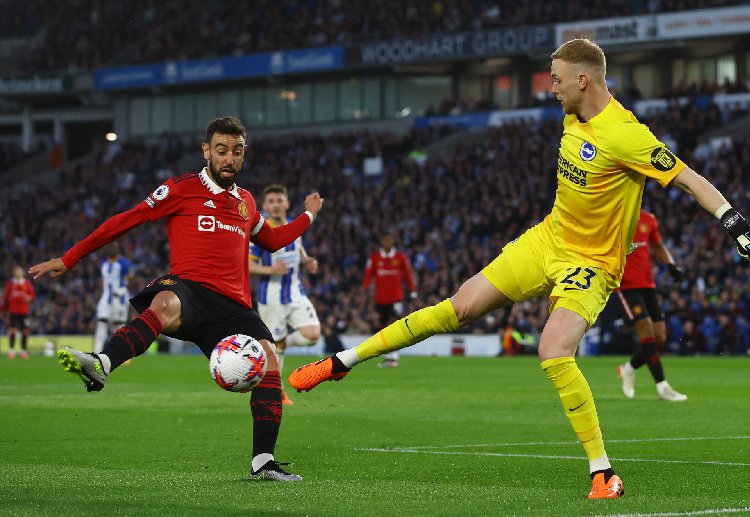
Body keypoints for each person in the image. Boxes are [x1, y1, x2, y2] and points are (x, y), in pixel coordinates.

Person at [288, 38, 750, 499]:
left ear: (582, 80)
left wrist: (733, 222)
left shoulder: (627, 134)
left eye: (556, 79)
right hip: (546, 239)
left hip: (592, 264)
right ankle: (343, 361)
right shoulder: (573, 116)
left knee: (552, 349)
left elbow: (688, 178)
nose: (549, 88)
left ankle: (602, 472)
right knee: (460, 307)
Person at [29, 116, 324, 482]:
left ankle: (263, 462)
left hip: (233, 307)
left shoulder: (246, 203)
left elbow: (274, 241)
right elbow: (127, 220)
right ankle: (102, 363)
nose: (228, 158)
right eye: (221, 151)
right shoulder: (180, 189)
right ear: (206, 151)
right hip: (189, 289)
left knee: (269, 358)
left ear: (244, 153)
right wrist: (69, 257)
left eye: (236, 151)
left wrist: (309, 214)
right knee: (165, 304)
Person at [248, 184, 321, 405]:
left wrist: (306, 260)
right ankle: (276, 391)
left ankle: (281, 344)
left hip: (295, 291)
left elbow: (297, 247)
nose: (276, 205)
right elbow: (246, 265)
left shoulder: (292, 226)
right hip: (271, 295)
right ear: (265, 206)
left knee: (312, 335)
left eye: (280, 200)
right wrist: (271, 270)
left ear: (287, 204)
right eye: (271, 201)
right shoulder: (260, 233)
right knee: (274, 348)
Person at [614, 209, 688, 401]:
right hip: (626, 285)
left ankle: (628, 369)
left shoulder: (649, 218)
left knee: (660, 337)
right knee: (646, 332)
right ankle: (663, 387)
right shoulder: (613, 216)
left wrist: (671, 265)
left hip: (647, 284)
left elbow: (658, 245)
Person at [361, 233, 417, 368]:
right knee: (383, 327)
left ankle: (394, 355)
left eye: (390, 240)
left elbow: (408, 275)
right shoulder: (374, 258)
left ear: (393, 241)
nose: (387, 242)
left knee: (394, 323)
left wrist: (413, 292)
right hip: (380, 299)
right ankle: (388, 357)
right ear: (381, 241)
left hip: (396, 298)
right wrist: (364, 291)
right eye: (385, 239)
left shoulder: (400, 258)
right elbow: (368, 277)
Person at [94, 242, 134, 354]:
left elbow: (130, 277)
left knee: (119, 325)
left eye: (113, 247)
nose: (110, 249)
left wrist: (125, 288)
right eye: (109, 247)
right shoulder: (104, 264)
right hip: (106, 297)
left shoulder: (124, 263)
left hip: (119, 298)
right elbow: (103, 281)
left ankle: (121, 353)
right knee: (101, 322)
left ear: (117, 249)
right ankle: (96, 352)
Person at [1, 265, 36, 359]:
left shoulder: (27, 283)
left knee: (25, 331)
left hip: (24, 311)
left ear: (22, 273)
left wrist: (30, 298)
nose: (18, 273)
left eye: (20, 271)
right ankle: (11, 350)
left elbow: (33, 296)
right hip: (13, 311)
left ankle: (23, 351)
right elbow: (5, 299)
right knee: (13, 330)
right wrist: (2, 310)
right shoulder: (10, 284)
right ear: (14, 273)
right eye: (16, 271)